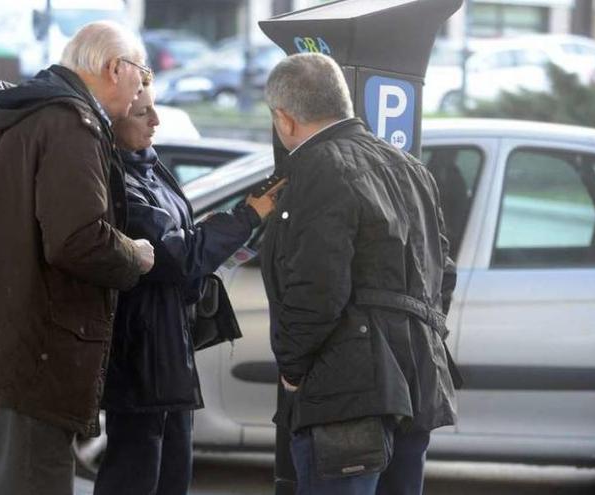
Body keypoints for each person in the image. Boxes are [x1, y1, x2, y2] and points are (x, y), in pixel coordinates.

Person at [0, 21, 156, 495]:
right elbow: (77, 240)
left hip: (14, 346)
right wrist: (136, 255)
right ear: (115, 68)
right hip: (39, 352)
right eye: (141, 72)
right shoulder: (72, 123)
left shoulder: (28, 116)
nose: (140, 92)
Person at [260, 53, 458, 495]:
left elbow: (317, 286)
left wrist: (292, 367)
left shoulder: (317, 167)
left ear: (284, 119)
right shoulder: (412, 168)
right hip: (417, 382)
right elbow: (441, 273)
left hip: (345, 394)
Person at [93, 82, 283, 495]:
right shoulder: (115, 180)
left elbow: (187, 241)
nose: (156, 120)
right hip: (141, 352)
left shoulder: (148, 165)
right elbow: (177, 255)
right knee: (136, 470)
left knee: (171, 471)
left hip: (170, 347)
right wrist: (247, 216)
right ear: (114, 118)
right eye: (143, 112)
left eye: (154, 109)